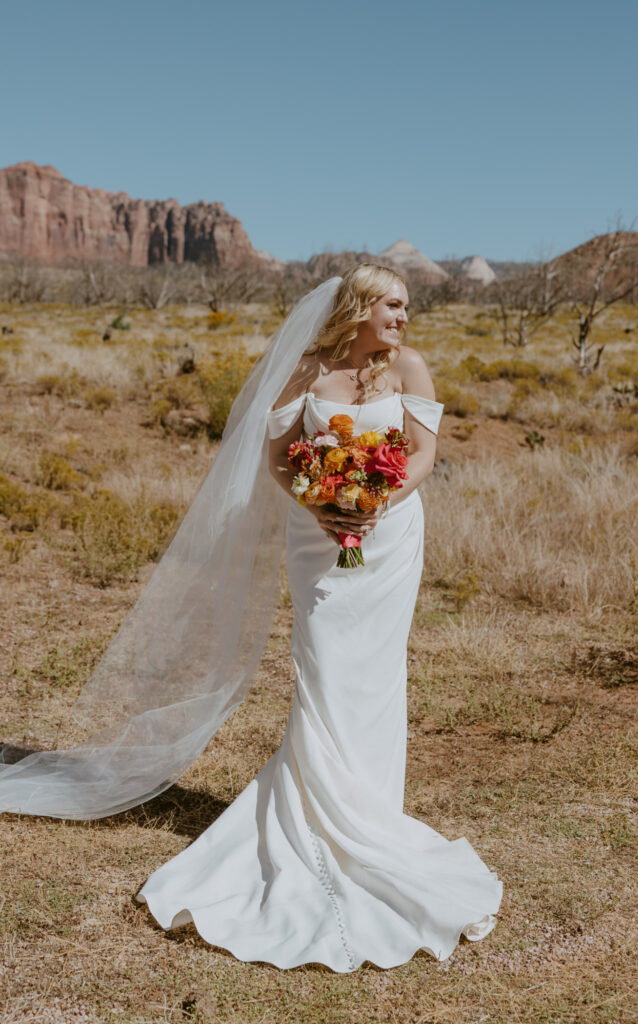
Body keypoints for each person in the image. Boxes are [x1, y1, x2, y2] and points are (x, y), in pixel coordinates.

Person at [135, 264, 503, 972]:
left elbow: (423, 455)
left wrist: (374, 504)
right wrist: (319, 503)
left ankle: (366, 817)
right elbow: (275, 458)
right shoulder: (306, 369)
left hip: (388, 537)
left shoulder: (410, 367)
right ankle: (311, 820)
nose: (403, 316)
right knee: (324, 667)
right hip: (315, 537)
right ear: (361, 307)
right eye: (393, 304)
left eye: (406, 305)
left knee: (375, 674)